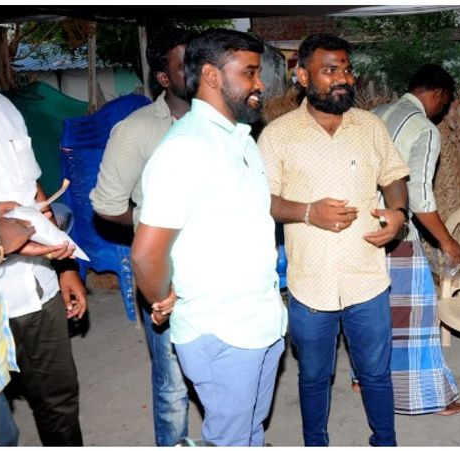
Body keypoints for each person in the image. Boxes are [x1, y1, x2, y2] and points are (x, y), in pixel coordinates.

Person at [131, 29, 287, 446]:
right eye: (250, 72)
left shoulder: (241, 140)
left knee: (249, 432)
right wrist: (161, 299)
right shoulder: (186, 148)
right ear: (212, 76)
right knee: (231, 438)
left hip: (260, 321)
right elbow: (146, 254)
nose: (260, 84)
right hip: (221, 329)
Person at [258, 33, 409, 446]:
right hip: (310, 282)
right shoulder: (278, 135)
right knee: (313, 376)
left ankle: (385, 442)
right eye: (330, 70)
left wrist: (398, 212)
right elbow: (261, 201)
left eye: (346, 69)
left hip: (366, 278)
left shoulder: (370, 126)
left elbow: (394, 176)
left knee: (376, 373)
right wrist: (309, 212)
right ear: (303, 76)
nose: (343, 78)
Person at [89, 26, 193, 447]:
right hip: (165, 268)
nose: (199, 70)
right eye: (185, 64)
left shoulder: (230, 123)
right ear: (163, 78)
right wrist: (153, 225)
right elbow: (106, 203)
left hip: (221, 267)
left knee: (230, 370)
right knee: (172, 383)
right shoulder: (136, 130)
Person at [364, 63, 460, 416]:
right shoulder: (424, 129)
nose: (443, 111)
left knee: (373, 313)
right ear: (438, 94)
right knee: (415, 316)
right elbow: (419, 198)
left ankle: (365, 378)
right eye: (445, 103)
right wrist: (447, 242)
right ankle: (424, 396)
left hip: (361, 233)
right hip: (395, 234)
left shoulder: (375, 114)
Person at [0, 94, 86, 446]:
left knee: (59, 400)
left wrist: (65, 266)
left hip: (39, 286)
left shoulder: (4, 107)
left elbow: (34, 193)